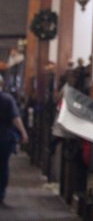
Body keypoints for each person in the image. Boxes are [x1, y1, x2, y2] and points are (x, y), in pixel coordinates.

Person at [0, 75, 28, 205]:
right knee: (3, 166)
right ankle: (0, 193)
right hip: (4, 138)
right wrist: (23, 133)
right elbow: (15, 118)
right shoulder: (7, 99)